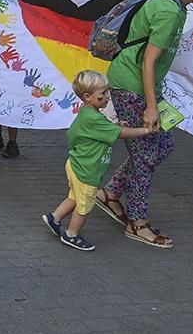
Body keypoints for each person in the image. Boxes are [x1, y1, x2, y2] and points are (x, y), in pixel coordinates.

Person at [94, 0, 193, 249]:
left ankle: (111, 193)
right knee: (144, 155)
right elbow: (149, 62)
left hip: (139, 84)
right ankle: (137, 222)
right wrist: (152, 106)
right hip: (132, 86)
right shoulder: (169, 12)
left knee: (162, 145)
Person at [44, 71, 155, 251]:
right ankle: (71, 234)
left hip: (77, 165)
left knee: (74, 197)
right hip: (86, 171)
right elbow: (120, 134)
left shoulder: (89, 113)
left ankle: (54, 217)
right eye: (102, 95)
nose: (107, 98)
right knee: (84, 206)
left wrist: (116, 127)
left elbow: (88, 132)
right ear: (87, 96)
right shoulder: (94, 118)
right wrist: (145, 131)